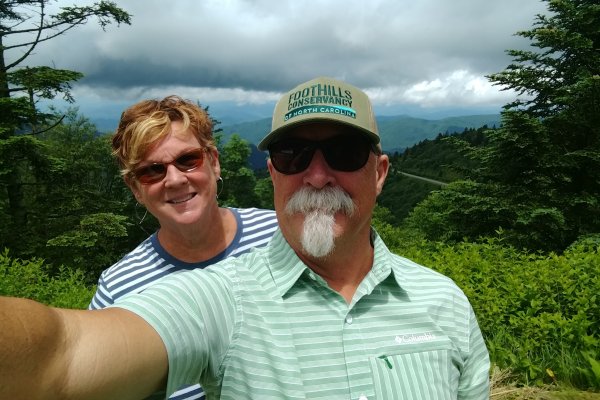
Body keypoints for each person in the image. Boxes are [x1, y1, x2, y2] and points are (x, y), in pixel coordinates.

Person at [0, 77, 490, 399]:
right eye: (295, 155)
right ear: (274, 172)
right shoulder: (219, 295)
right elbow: (64, 356)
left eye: (344, 151)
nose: (318, 176)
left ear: (380, 172)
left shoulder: (444, 300)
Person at [91, 95, 279, 400]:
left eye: (188, 160)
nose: (175, 179)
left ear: (214, 162)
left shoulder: (279, 235)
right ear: (135, 189)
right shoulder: (118, 289)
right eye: (152, 171)